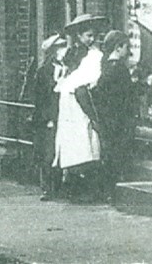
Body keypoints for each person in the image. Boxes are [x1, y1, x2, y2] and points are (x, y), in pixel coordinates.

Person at [52, 14, 106, 202]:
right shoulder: (71, 55)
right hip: (70, 106)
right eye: (87, 36)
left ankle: (86, 189)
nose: (91, 40)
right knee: (74, 146)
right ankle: (75, 187)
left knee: (86, 146)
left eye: (93, 36)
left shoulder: (94, 56)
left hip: (80, 105)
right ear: (79, 36)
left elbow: (90, 80)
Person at [93, 29, 137, 201]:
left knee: (110, 155)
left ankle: (109, 192)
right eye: (126, 47)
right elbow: (127, 94)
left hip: (108, 120)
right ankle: (117, 193)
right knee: (120, 155)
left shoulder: (105, 68)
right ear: (118, 48)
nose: (128, 51)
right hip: (120, 121)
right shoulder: (119, 69)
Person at [32, 34, 68, 200]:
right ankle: (48, 187)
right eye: (60, 47)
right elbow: (40, 99)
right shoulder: (44, 72)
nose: (63, 50)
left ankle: (61, 186)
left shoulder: (68, 68)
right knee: (49, 152)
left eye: (64, 46)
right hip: (49, 118)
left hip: (65, 116)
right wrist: (47, 119)